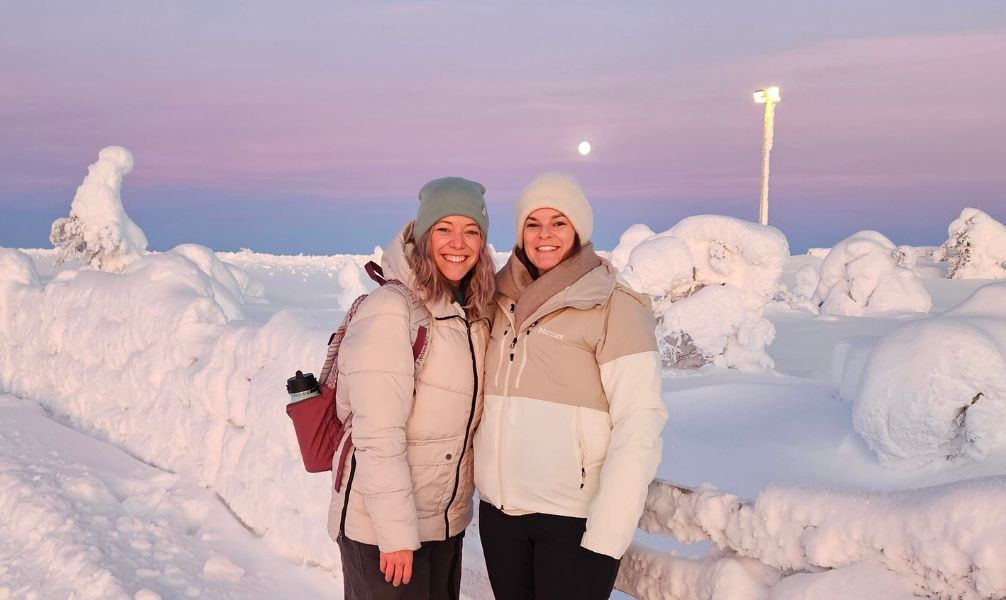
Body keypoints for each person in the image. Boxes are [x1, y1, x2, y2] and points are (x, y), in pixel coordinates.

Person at [475, 173, 667, 599]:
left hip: (572, 522)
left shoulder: (614, 306)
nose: (544, 235)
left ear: (579, 230)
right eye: (533, 224)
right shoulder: (497, 301)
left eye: (558, 222)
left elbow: (640, 420)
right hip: (500, 517)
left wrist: (609, 531)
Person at [328, 177, 495, 600]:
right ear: (422, 237)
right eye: (444, 229)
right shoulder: (392, 309)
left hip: (443, 525)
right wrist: (396, 535)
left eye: (471, 231)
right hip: (385, 533)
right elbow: (378, 433)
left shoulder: (471, 313)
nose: (458, 243)